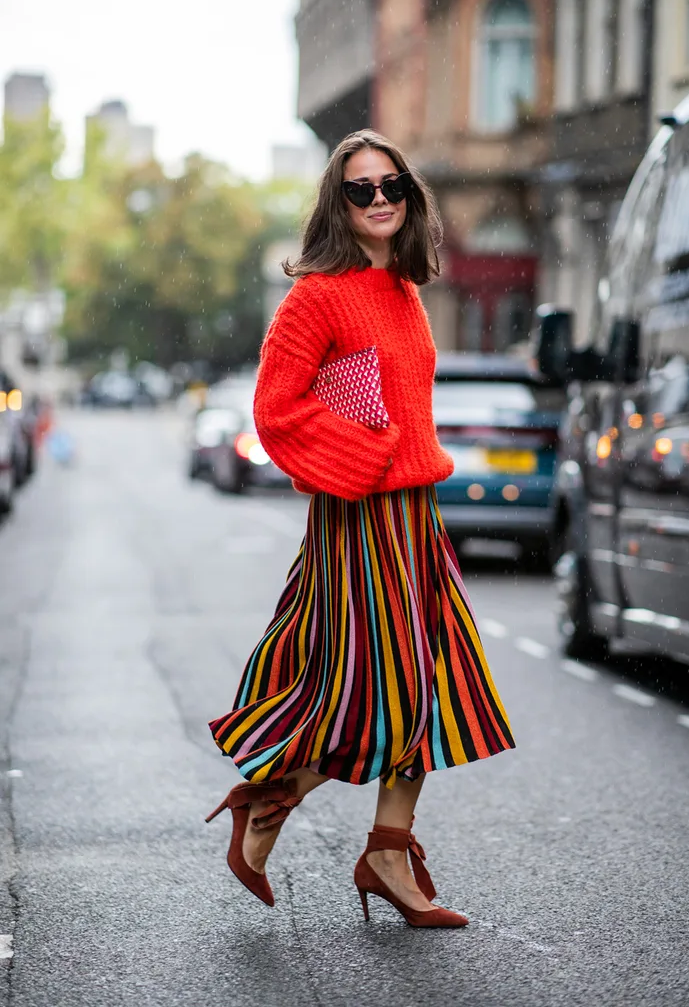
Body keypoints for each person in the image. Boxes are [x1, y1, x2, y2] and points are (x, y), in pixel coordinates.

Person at [206, 129, 515, 928]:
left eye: (391, 186)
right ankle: (273, 805)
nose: (379, 200)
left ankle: (384, 847)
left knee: (441, 683)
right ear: (336, 205)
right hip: (360, 513)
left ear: (409, 196)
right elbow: (275, 409)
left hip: (414, 512)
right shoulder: (317, 294)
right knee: (387, 689)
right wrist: (366, 456)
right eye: (360, 190)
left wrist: (394, 457)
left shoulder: (406, 289)